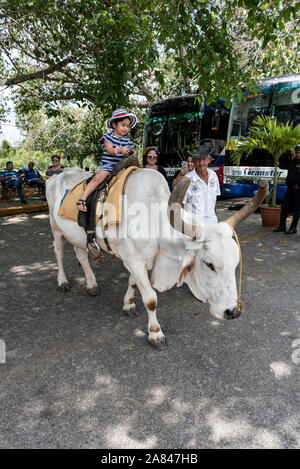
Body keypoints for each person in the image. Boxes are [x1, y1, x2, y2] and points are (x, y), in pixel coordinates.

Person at [77, 108, 137, 212]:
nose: (126, 128)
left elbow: (132, 151)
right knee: (99, 177)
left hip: (122, 166)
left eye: (128, 126)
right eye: (123, 125)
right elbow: (109, 150)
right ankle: (83, 199)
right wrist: (120, 150)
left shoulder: (127, 140)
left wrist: (132, 152)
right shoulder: (108, 137)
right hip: (108, 165)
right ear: (114, 125)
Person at [182, 145, 220, 225]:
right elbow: (181, 205)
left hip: (212, 223)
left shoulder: (213, 176)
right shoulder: (187, 179)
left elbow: (214, 200)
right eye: (198, 160)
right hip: (195, 227)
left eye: (204, 159)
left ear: (209, 160)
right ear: (194, 161)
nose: (201, 163)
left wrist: (215, 218)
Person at [274, 144, 300, 234]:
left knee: (296, 210)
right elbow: (287, 166)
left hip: (298, 191)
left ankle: (293, 228)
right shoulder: (294, 161)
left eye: (299, 152)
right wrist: (279, 164)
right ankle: (282, 226)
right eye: (297, 152)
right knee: (284, 207)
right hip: (289, 189)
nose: (298, 154)